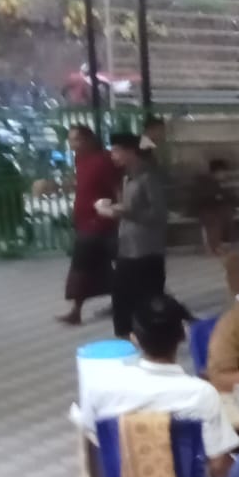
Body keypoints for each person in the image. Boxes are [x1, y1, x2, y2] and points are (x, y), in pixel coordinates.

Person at [75, 294, 239, 477]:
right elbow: (219, 467)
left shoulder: (100, 387)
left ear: (134, 338)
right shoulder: (200, 394)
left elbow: (93, 436)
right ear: (184, 334)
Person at [105, 131, 169, 339]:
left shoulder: (149, 177)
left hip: (146, 250)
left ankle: (153, 339)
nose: (113, 155)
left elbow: (158, 214)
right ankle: (126, 337)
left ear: (130, 151)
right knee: (122, 298)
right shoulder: (128, 176)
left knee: (149, 298)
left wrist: (125, 212)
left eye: (116, 151)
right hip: (128, 246)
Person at [60, 124, 119, 325]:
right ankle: (76, 311)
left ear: (89, 140)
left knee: (101, 265)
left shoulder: (104, 160)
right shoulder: (80, 160)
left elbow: (116, 187)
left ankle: (117, 303)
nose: (72, 144)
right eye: (70, 140)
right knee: (83, 267)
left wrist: (120, 212)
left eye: (76, 139)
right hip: (85, 222)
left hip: (103, 222)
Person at [191, 159, 239, 255]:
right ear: (215, 173)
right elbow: (201, 199)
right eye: (222, 173)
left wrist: (236, 203)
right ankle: (215, 246)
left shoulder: (219, 183)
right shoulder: (205, 182)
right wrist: (217, 197)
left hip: (216, 209)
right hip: (206, 210)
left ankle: (221, 244)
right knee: (214, 220)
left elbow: (228, 196)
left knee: (227, 215)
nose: (224, 175)